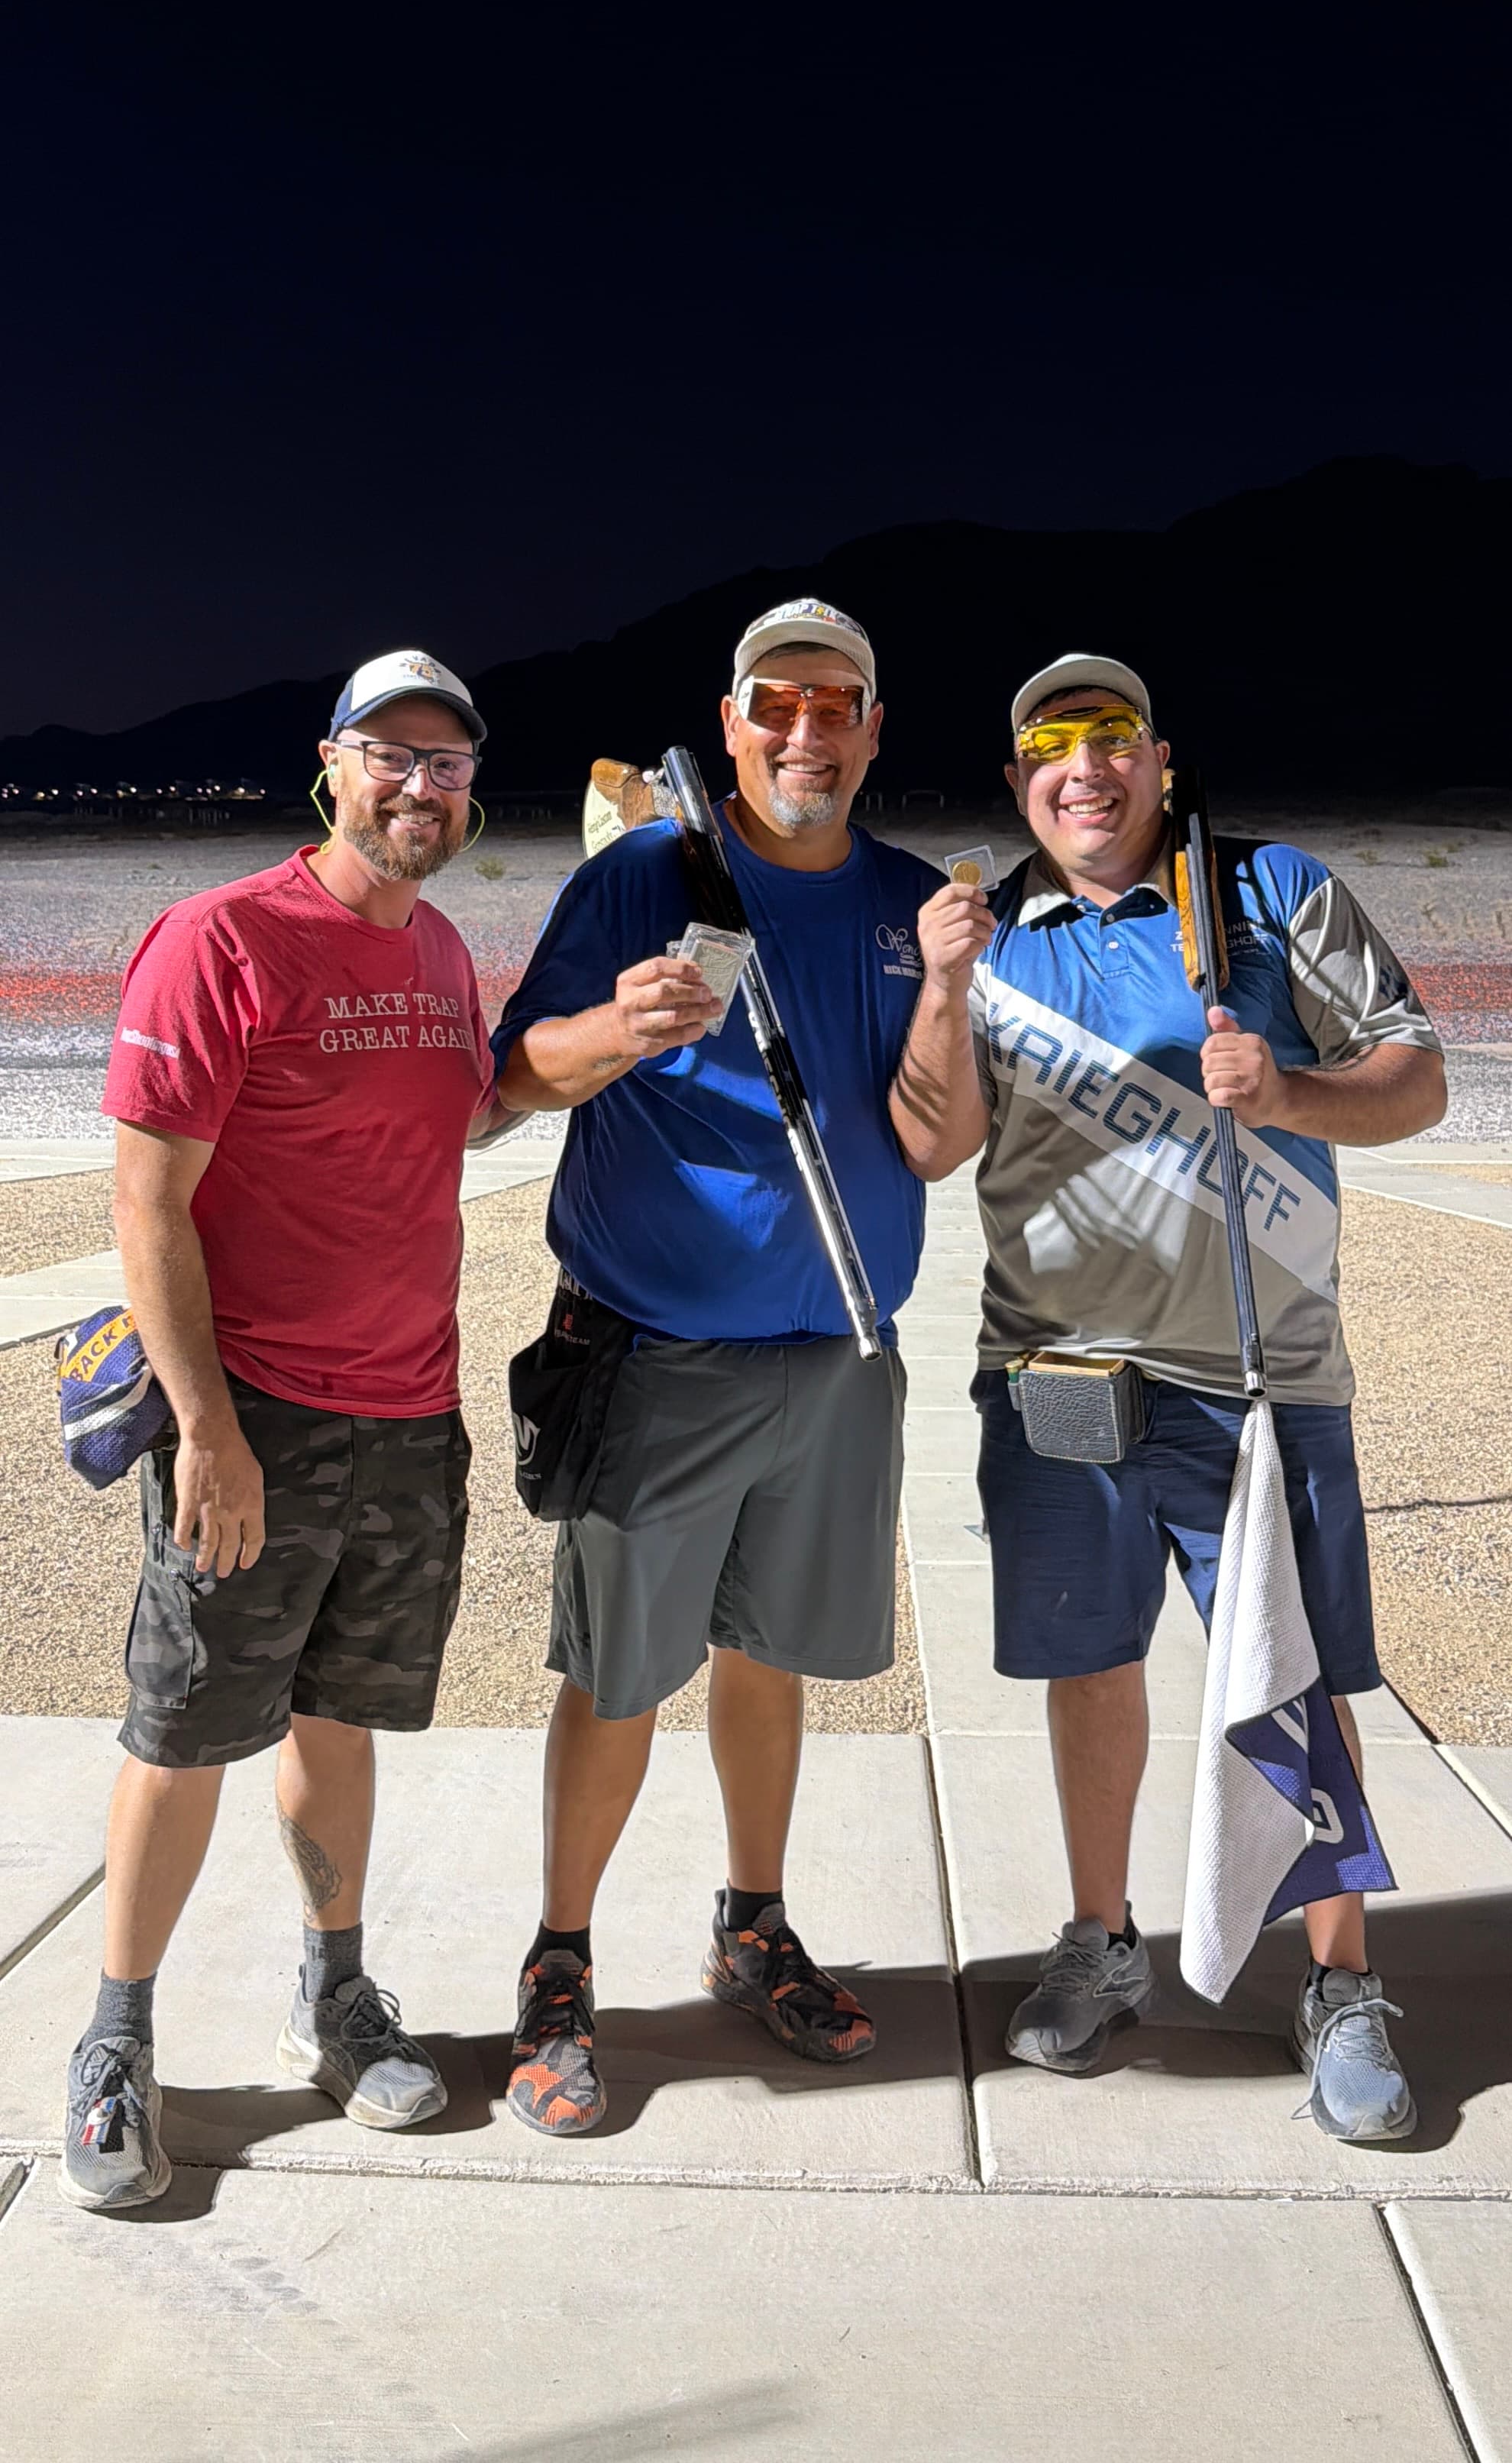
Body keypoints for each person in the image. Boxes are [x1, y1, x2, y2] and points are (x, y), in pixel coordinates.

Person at [890, 651, 1447, 2143]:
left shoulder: (1266, 893)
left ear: (1160, 758)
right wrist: (942, 983)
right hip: (1059, 1376)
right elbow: (932, 1138)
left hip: (1259, 1377)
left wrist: (1294, 1094)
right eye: (1051, 744)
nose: (1085, 765)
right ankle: (1101, 1936)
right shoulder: (989, 928)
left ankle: (1341, 1981)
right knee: (1091, 1672)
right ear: (1019, 782)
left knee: (1297, 1673)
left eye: (1112, 735)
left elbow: (1416, 1076)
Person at [62, 650, 516, 2210]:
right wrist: (206, 1425)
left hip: (409, 1415)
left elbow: (447, 1119)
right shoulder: (223, 939)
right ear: (331, 764)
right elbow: (146, 1201)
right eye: (392, 754)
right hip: (252, 1413)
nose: (420, 784)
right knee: (184, 1725)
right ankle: (117, 2036)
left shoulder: (448, 949)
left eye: (449, 764)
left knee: (341, 1715)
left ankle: (335, 1991)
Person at [491, 596, 944, 2133]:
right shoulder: (646, 871)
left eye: (838, 704)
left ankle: (752, 1918)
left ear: (875, 729)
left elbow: (942, 1122)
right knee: (618, 1670)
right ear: (734, 719)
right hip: (661, 1355)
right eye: (776, 703)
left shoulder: (911, 899)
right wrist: (608, 1033)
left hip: (839, 1355)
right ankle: (560, 1962)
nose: (806, 730)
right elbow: (504, 1079)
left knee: (772, 1654)